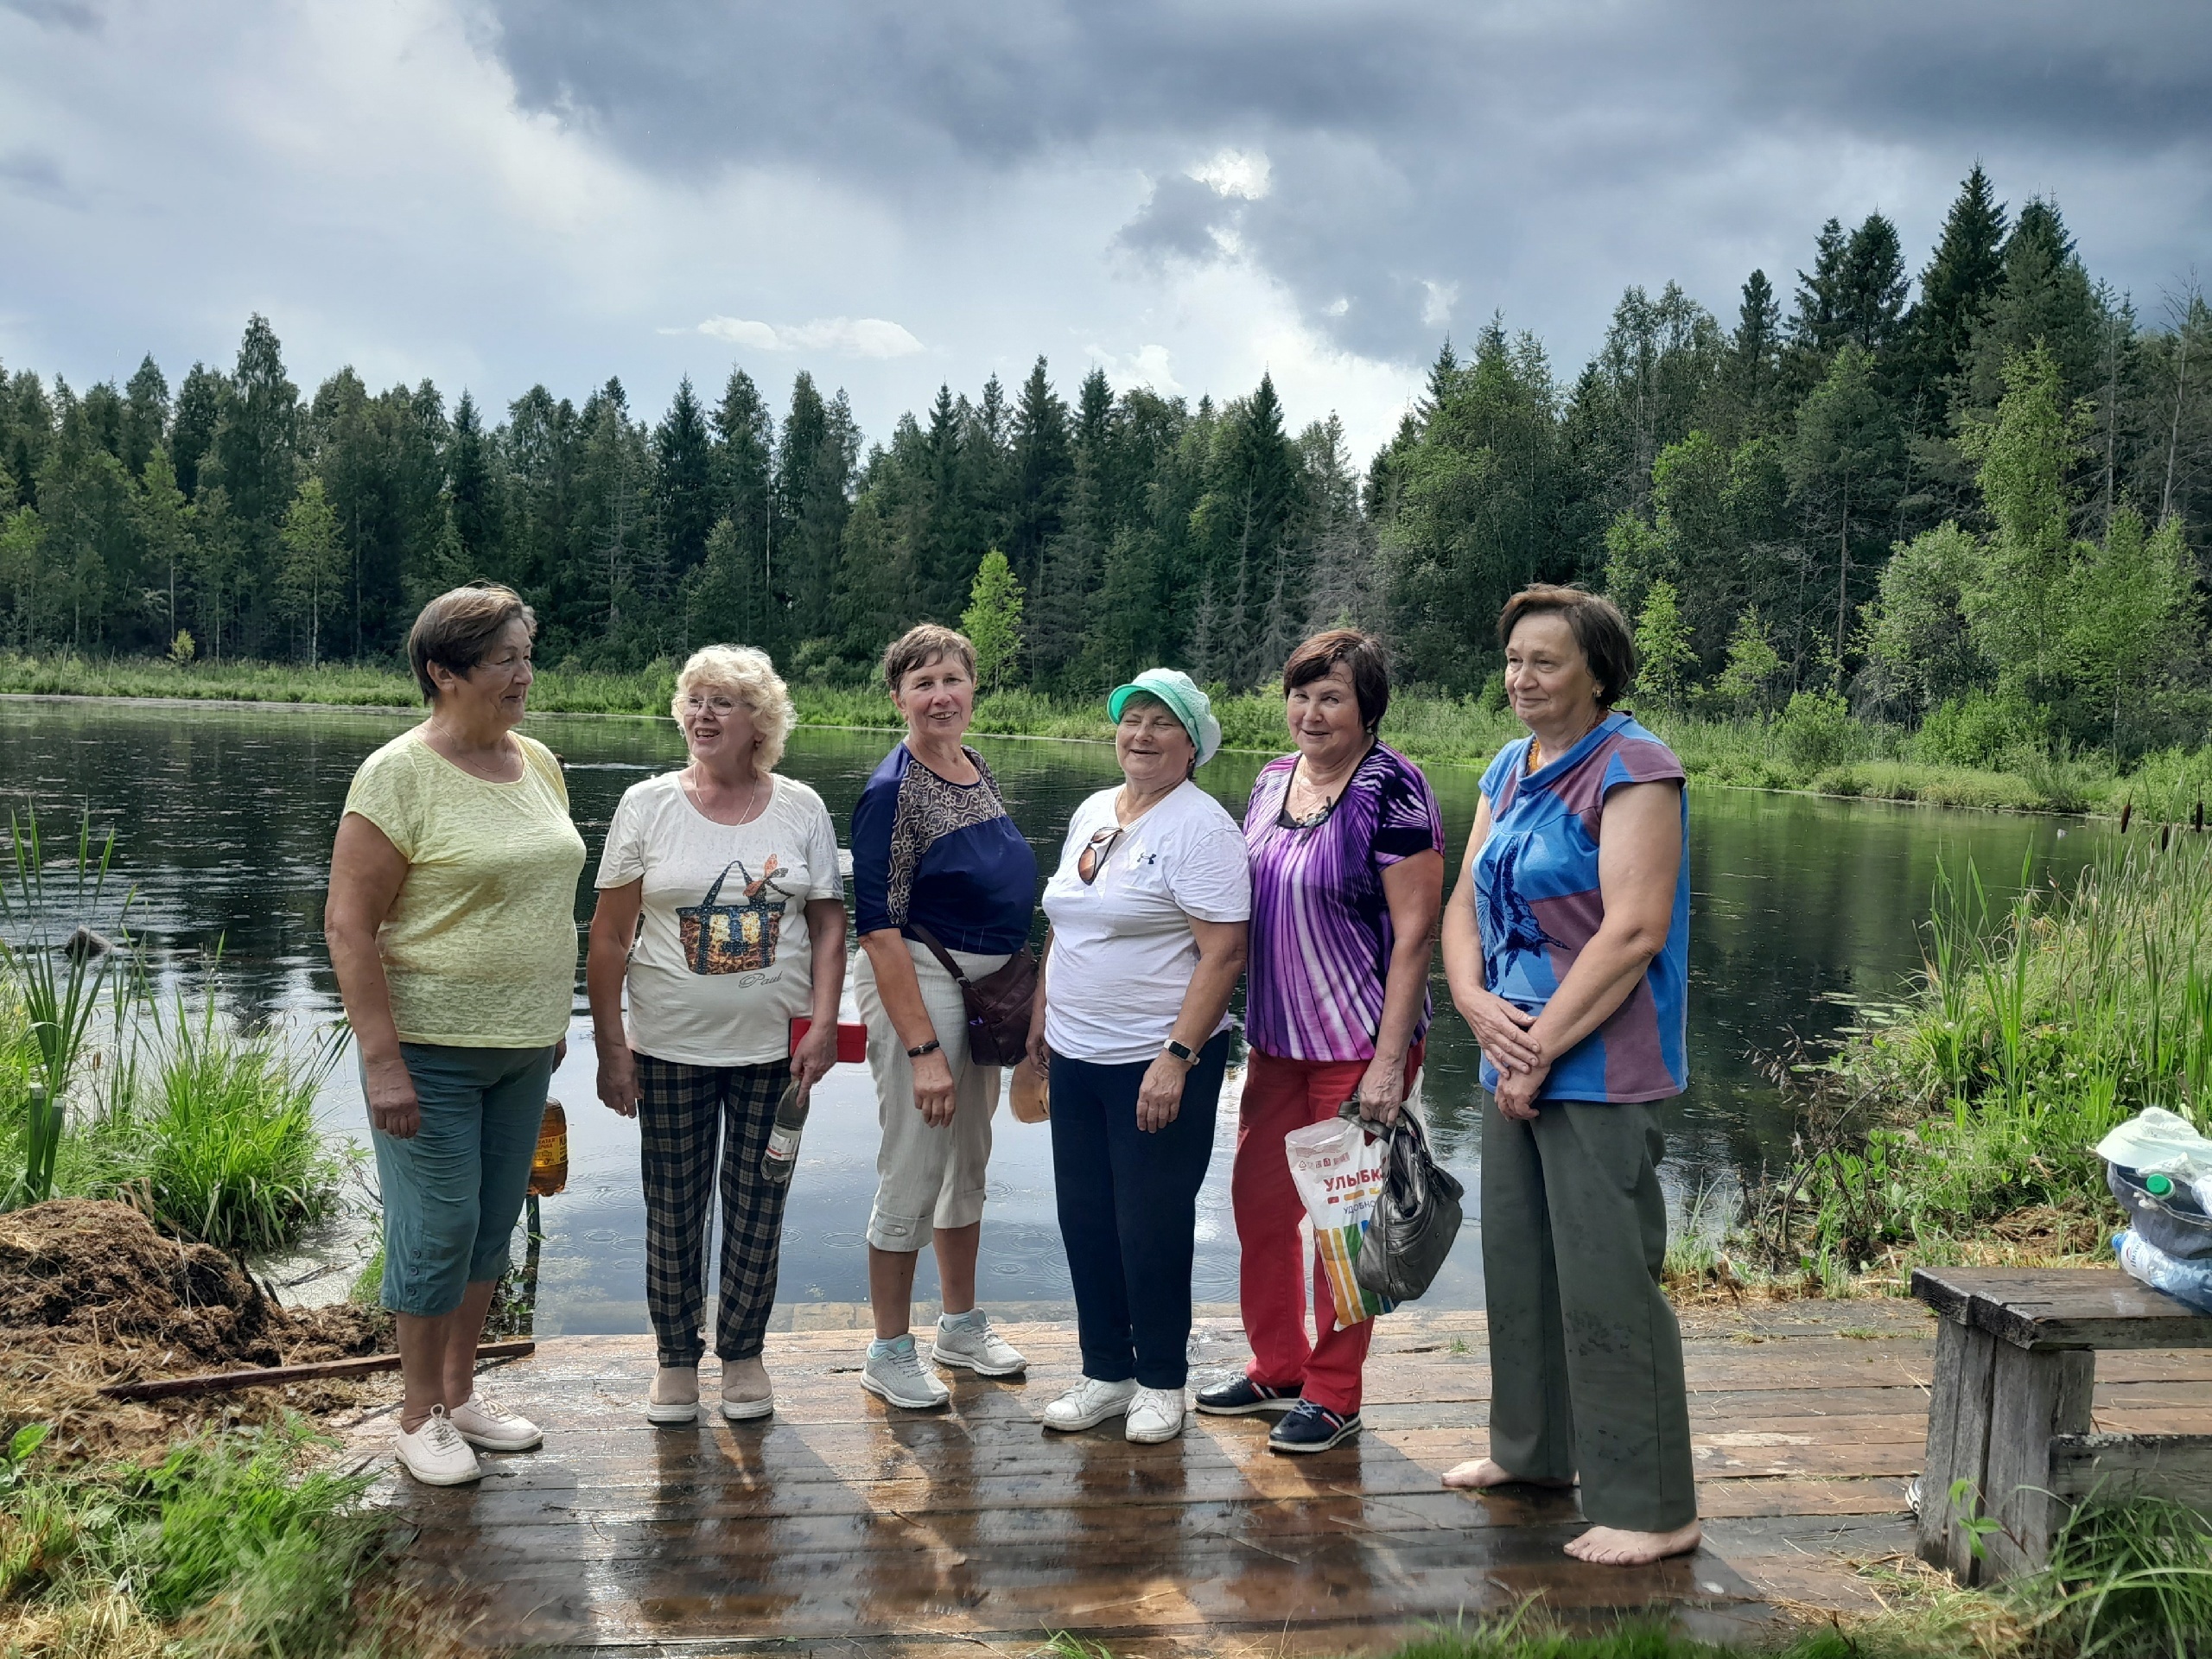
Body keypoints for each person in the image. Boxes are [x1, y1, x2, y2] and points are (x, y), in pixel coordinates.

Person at [1438, 583, 1700, 1567]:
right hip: (1509, 1047)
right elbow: (1465, 896)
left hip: (1595, 1061)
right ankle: (1533, 1454)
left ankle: (1652, 1504)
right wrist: (1468, 999)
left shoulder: (1635, 766)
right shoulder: (1509, 766)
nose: (1522, 679)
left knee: (1606, 1281)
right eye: (1513, 661)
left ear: (1596, 671)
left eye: (1545, 661)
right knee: (1521, 1263)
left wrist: (1538, 1047)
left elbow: (1632, 929)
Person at [325, 585, 587, 1487]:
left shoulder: (539, 763)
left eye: (527, 654)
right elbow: (348, 926)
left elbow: (544, 899)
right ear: (443, 672)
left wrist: (550, 1022)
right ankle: (416, 1416)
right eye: (505, 659)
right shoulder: (397, 774)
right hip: (427, 1049)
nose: (524, 674)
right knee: (437, 1226)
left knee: (488, 1230)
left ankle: (462, 1395)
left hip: (522, 1046)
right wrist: (382, 1060)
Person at [1198, 629, 1446, 1453]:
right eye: (1301, 695)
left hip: (1357, 1041)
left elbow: (1416, 936)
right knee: (1261, 1208)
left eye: (1331, 696)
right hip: (1274, 1040)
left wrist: (1387, 1061)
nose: (1311, 712)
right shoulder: (1270, 782)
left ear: (1366, 708)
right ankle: (1279, 1366)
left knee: (1344, 1229)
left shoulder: (1395, 789)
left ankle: (1337, 1393)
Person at [586, 645, 846, 1426]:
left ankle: (742, 1354)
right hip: (666, 1048)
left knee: (759, 1203)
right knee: (672, 1206)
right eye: (694, 700)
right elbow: (607, 936)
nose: (703, 714)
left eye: (723, 702)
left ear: (758, 722)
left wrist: (826, 1022)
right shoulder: (647, 805)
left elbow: (831, 928)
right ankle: (674, 1358)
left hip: (776, 1052)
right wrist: (611, 1046)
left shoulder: (801, 808)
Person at [1028, 670, 1250, 1443]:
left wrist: (1178, 1055)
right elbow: (1068, 921)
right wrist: (1041, 1017)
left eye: (1163, 723)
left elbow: (1224, 954)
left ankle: (1161, 1379)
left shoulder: (1202, 827)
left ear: (1193, 746)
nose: (1142, 735)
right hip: (1076, 1050)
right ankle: (1105, 1372)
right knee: (1084, 1218)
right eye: (1132, 719)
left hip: (1155, 1060)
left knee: (1149, 1223)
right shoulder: (1095, 810)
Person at [849, 624, 1039, 1408]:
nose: (940, 696)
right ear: (898, 698)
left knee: (971, 1160)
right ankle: (888, 1348)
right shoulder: (892, 789)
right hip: (922, 981)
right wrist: (923, 1048)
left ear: (972, 688)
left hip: (985, 988)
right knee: (915, 1162)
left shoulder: (971, 764)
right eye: (922, 683)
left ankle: (958, 1325)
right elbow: (878, 928)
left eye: (952, 679)